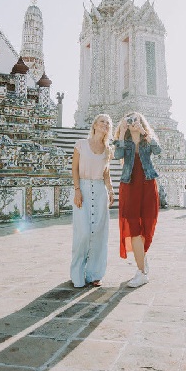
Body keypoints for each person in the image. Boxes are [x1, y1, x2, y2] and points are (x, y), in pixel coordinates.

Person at [113, 112, 161, 288]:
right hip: (130, 186)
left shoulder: (147, 139)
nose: (133, 123)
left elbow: (158, 150)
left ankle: (143, 259)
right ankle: (141, 272)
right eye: (130, 120)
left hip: (147, 185)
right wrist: (120, 132)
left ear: (141, 122)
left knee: (147, 225)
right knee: (133, 227)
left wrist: (144, 132)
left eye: (136, 120)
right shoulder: (124, 142)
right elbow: (117, 155)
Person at [70, 114, 115, 288]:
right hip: (83, 188)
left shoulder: (107, 150)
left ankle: (95, 274)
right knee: (83, 233)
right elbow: (74, 168)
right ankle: (77, 273)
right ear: (95, 124)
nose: (105, 124)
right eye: (102, 121)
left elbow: (106, 173)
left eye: (108, 123)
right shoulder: (81, 144)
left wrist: (111, 190)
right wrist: (77, 190)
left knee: (99, 233)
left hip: (100, 191)